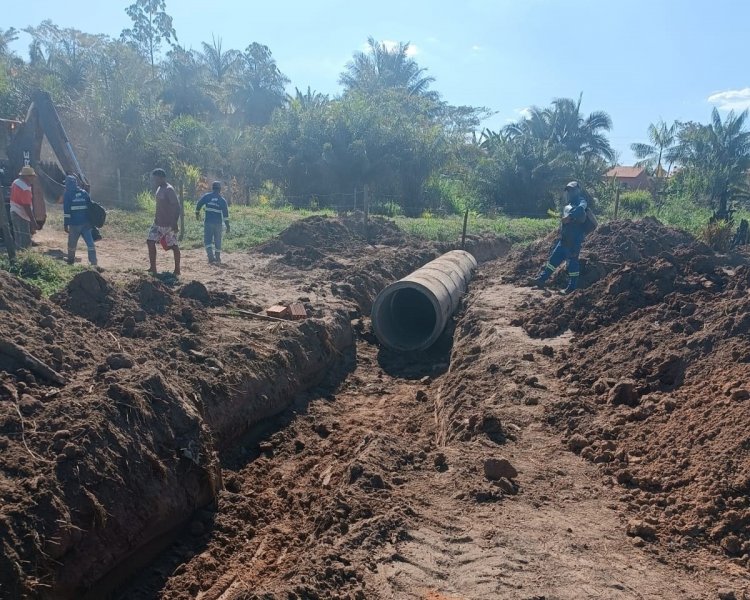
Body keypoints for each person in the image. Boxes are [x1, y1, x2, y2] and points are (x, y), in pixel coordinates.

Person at [535, 181, 590, 294]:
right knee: (553, 260)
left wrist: (569, 217)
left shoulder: (581, 201)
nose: (570, 192)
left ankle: (571, 288)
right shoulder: (568, 204)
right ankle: (541, 280)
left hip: (574, 241)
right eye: (569, 190)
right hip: (564, 239)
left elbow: (581, 209)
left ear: (578, 190)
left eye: (573, 190)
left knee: (572, 265)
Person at [146, 168, 181, 275]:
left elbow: (177, 206)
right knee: (150, 241)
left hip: (168, 224)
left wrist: (174, 221)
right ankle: (153, 268)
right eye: (154, 179)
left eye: (156, 179)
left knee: (173, 246)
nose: (155, 181)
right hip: (157, 223)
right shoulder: (159, 188)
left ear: (162, 178)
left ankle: (177, 270)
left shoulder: (169, 189)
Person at [63, 175, 98, 266]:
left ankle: (70, 260)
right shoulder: (84, 193)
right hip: (86, 224)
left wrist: (66, 224)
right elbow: (90, 207)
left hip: (74, 225)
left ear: (67, 184)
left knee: (72, 244)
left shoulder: (67, 194)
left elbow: (66, 211)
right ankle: (93, 262)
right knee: (90, 243)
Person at [195, 181, 230, 264]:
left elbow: (199, 204)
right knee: (218, 240)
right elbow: (225, 215)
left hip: (208, 223)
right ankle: (217, 257)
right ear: (220, 189)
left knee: (208, 240)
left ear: (212, 188)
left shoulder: (207, 197)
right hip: (218, 224)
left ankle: (211, 257)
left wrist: (197, 213)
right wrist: (228, 225)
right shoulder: (222, 200)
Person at [9, 166, 38, 249]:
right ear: (26, 176)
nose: (33, 178)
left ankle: (18, 257)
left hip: (14, 212)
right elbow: (26, 206)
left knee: (18, 238)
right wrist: (33, 221)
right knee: (25, 240)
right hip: (21, 215)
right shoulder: (25, 188)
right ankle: (25, 258)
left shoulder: (16, 182)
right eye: (32, 176)